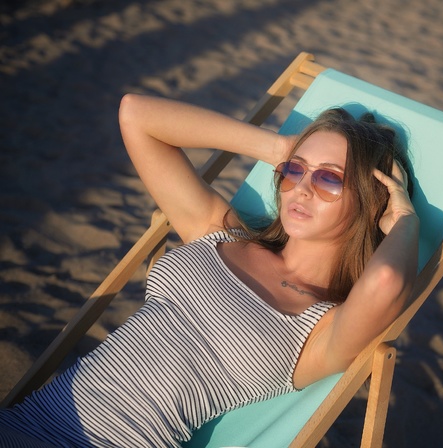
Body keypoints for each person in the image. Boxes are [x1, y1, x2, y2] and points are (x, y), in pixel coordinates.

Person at [0, 95, 419, 447]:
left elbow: (385, 281)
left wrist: (402, 220)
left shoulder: (322, 327)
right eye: (296, 169)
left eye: (329, 178)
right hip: (24, 424)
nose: (301, 187)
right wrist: (279, 148)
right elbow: (136, 115)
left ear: (371, 200)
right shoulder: (221, 233)